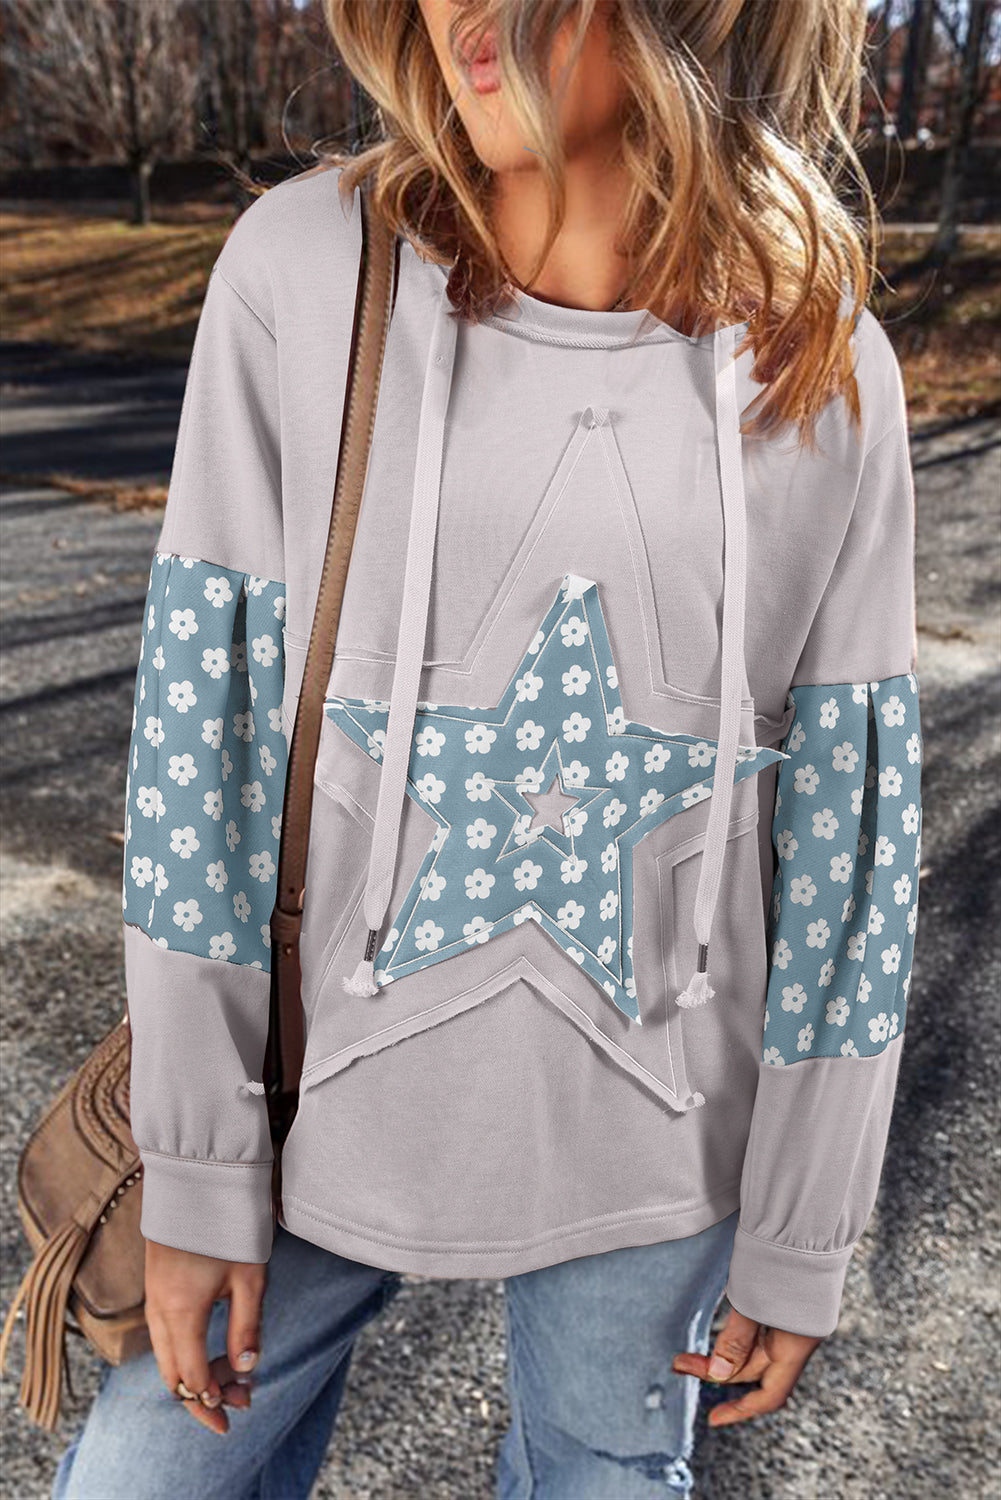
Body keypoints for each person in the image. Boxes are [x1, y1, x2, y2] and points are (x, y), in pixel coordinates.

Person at [50, 1, 922, 1495]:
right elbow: (208, 740)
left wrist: (802, 1222)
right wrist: (194, 1164)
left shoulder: (822, 366)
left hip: (658, 1145)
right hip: (305, 1106)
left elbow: (853, 841)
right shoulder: (303, 269)